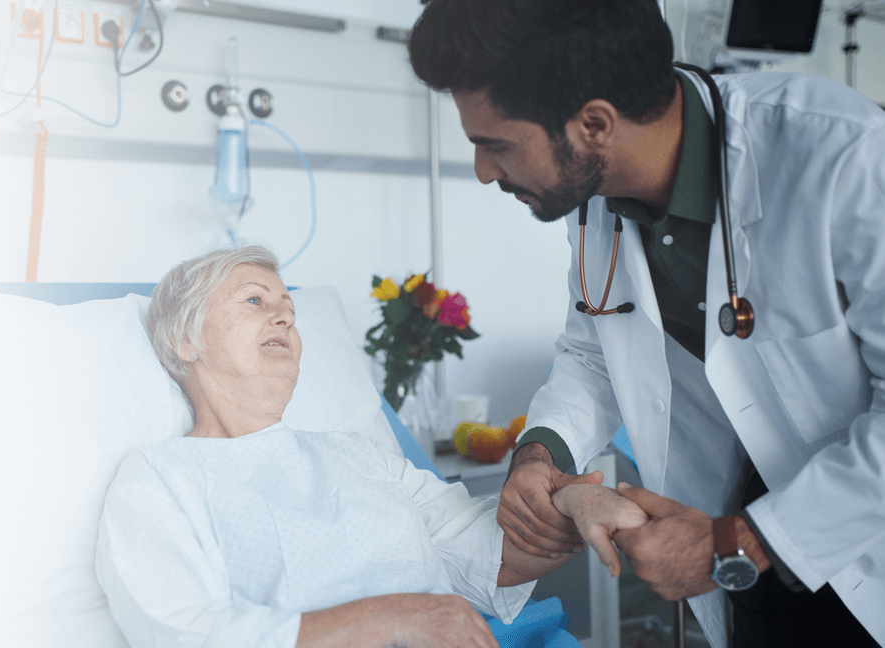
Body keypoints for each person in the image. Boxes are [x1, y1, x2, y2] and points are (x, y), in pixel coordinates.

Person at [408, 1, 885, 647]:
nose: (485, 172)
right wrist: (540, 453)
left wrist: (736, 542)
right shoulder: (598, 197)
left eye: (496, 145)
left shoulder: (844, 155)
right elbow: (593, 348)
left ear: (594, 124)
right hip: (755, 562)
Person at [95, 245, 647, 648]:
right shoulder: (159, 479)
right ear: (184, 340)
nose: (284, 314)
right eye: (255, 300)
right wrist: (392, 619)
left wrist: (565, 505)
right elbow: (185, 631)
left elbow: (486, 555)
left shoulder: (358, 455)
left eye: (288, 304)